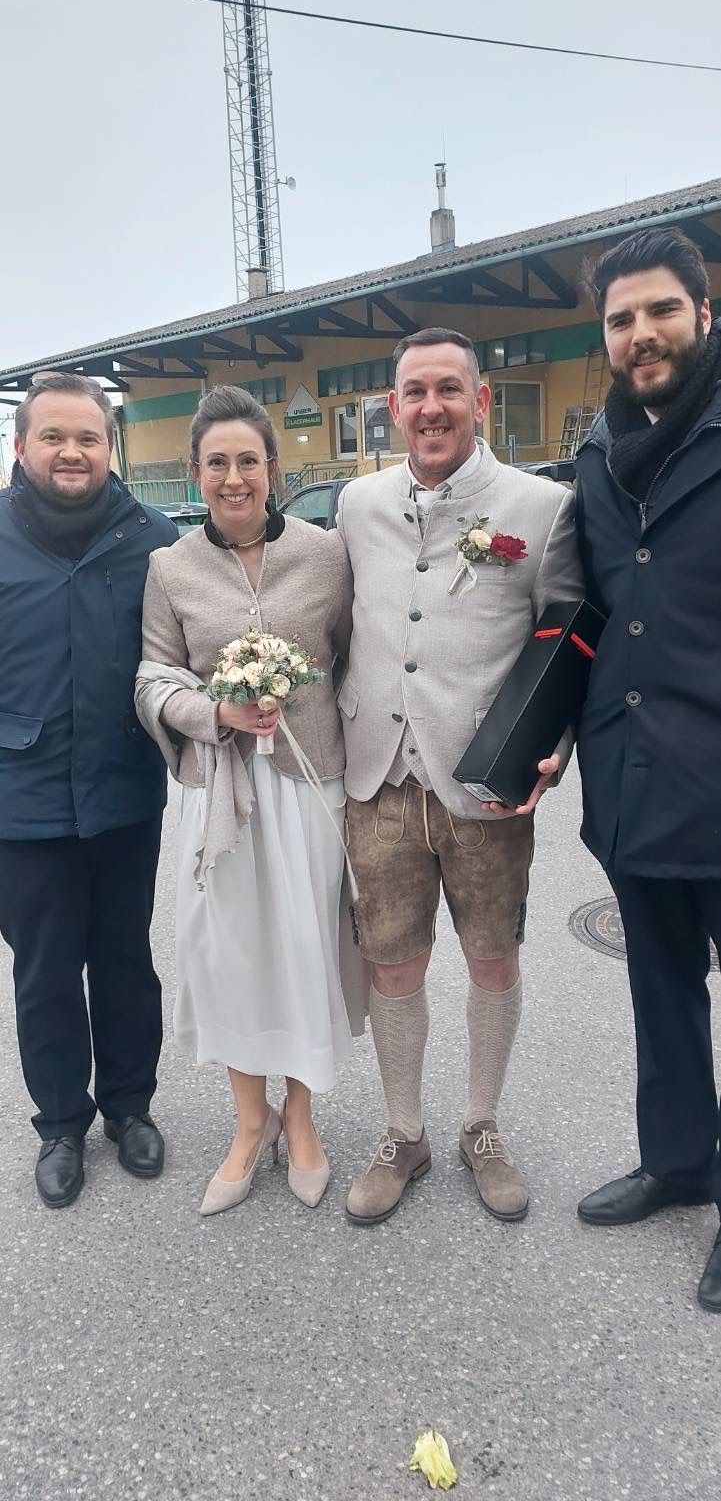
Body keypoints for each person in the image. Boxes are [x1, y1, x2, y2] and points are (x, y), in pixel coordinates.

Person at [336, 326, 585, 1225]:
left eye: (449, 389)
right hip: (378, 778)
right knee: (392, 964)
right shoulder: (357, 505)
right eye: (414, 392)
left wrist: (555, 750)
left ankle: (481, 1121)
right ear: (393, 408)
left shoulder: (539, 507)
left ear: (479, 402)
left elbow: (568, 642)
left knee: (492, 956)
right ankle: (405, 1131)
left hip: (486, 781)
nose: (431, 406)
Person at [136, 384, 356, 1215]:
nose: (234, 477)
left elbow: (346, 658)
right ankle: (246, 1120)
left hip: (307, 785)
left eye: (249, 460)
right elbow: (153, 675)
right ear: (196, 471)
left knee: (303, 950)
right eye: (217, 462)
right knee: (228, 954)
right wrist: (213, 712)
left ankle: (301, 1118)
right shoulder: (169, 568)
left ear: (273, 467)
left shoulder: (324, 554)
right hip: (218, 788)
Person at [574, 227, 721, 1313]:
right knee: (658, 990)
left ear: (702, 314)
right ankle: (678, 1162)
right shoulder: (596, 454)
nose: (641, 334)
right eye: (622, 319)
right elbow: (584, 612)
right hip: (631, 776)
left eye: (660, 310)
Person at [0, 372, 176, 1209]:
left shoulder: (155, 539)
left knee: (123, 960)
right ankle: (60, 1123)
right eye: (54, 437)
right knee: (43, 974)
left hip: (122, 793)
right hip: (20, 802)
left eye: (89, 438)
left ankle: (129, 1109)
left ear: (112, 449)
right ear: (20, 445)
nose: (72, 452)